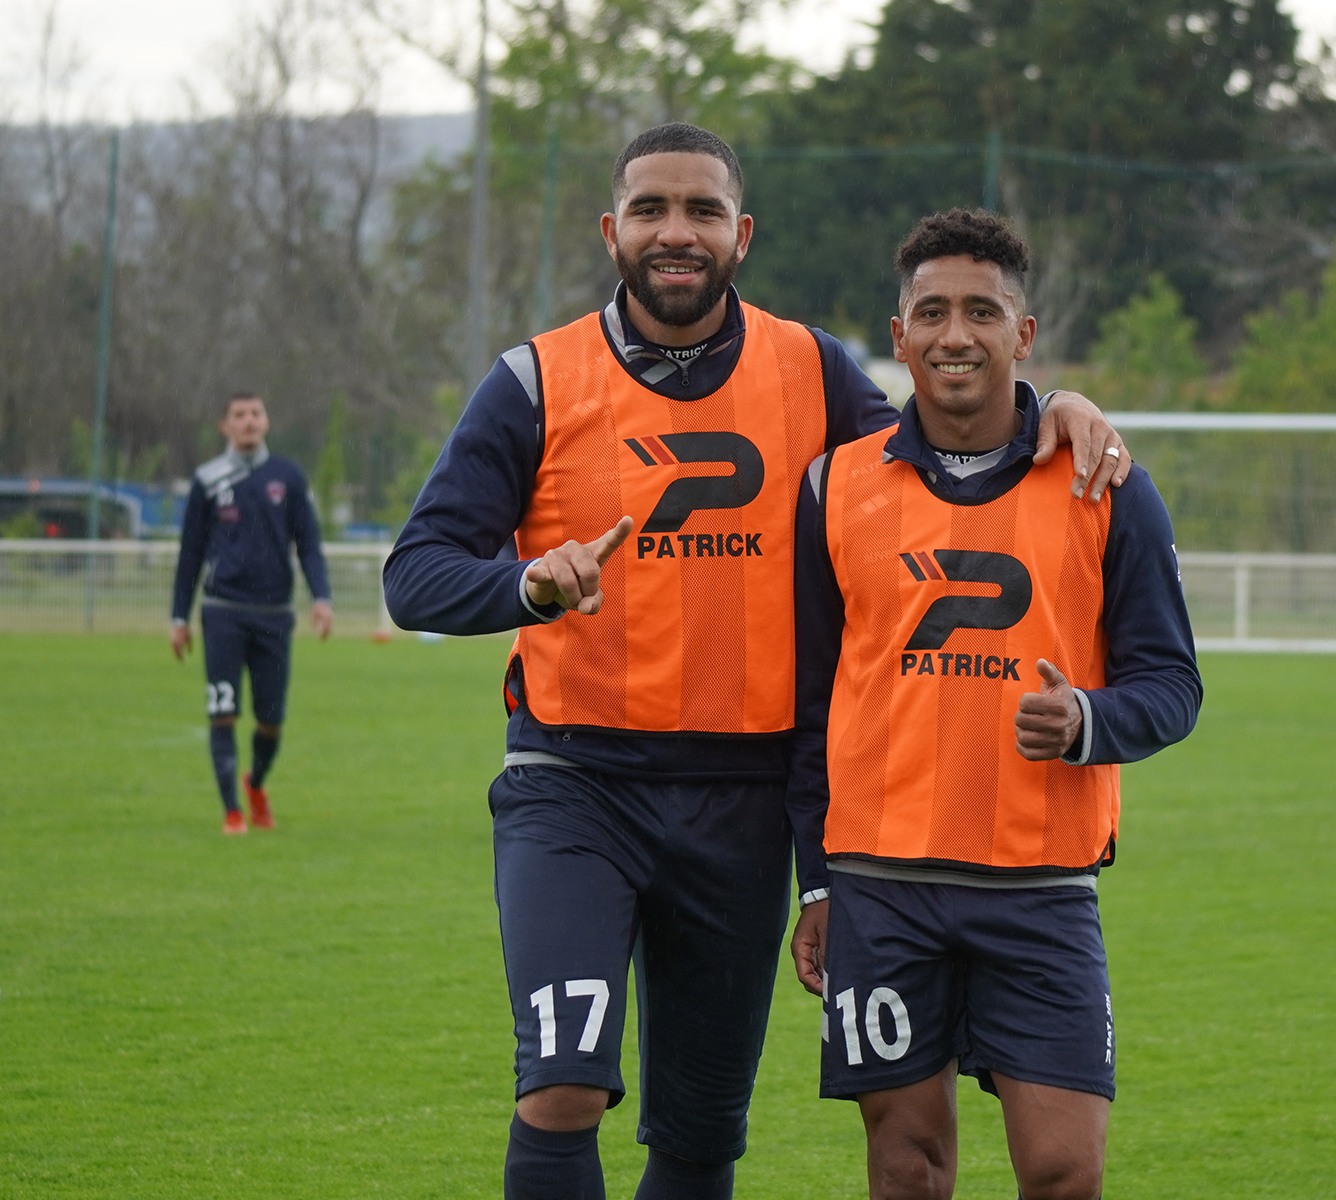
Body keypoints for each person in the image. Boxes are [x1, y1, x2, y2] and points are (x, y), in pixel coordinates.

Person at [382, 123, 1130, 1200]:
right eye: (649, 209)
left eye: (699, 211)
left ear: (742, 233)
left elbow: (943, 449)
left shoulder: (812, 369)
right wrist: (526, 587)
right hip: (573, 785)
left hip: (740, 804)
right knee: (561, 1088)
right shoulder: (534, 382)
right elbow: (415, 576)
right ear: (611, 231)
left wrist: (1049, 405)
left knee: (699, 1133)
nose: (674, 232)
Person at [787, 210, 1202, 1200]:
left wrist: (1086, 723)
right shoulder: (833, 488)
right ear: (898, 338)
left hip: (1040, 888)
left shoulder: (1104, 483)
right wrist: (815, 884)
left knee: (1064, 1173)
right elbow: (809, 707)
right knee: (905, 1169)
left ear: (1023, 332)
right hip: (881, 886)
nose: (954, 334)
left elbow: (1172, 685)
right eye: (930, 311)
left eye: (982, 310)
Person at [170, 392, 333, 835]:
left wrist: (321, 597)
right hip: (222, 611)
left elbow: (309, 544)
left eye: (255, 413)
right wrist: (178, 618)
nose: (248, 422)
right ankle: (231, 811)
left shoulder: (288, 477)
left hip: (275, 614)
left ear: (267, 421)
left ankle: (255, 782)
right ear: (225, 426)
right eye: (238, 415)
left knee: (270, 720)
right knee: (222, 711)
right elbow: (190, 554)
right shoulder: (207, 480)